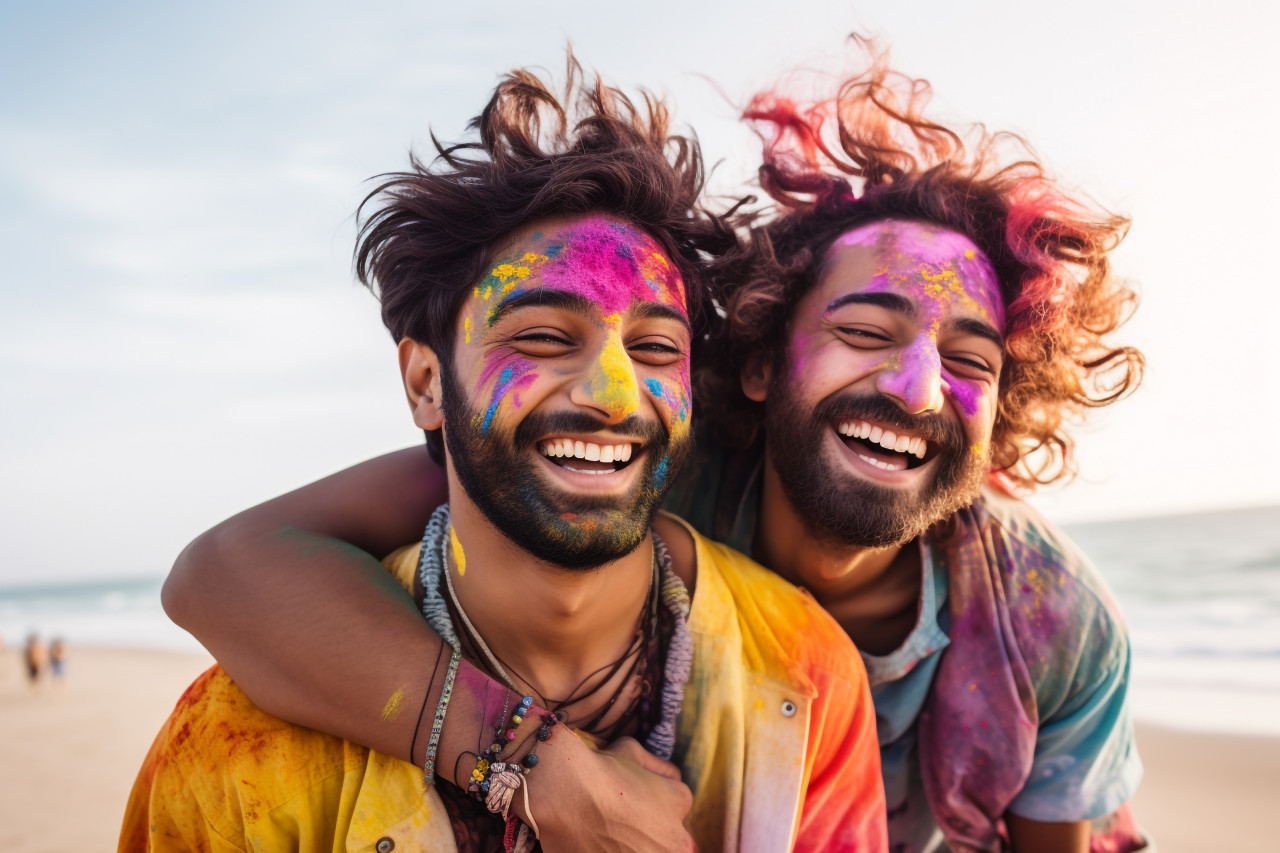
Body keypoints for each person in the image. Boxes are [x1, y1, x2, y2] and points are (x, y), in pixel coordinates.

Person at [164, 43, 1148, 852]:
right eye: (864, 332)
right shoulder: (638, 461)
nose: (915, 387)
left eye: (967, 356)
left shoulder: (1049, 618)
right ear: (759, 359)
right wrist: (530, 763)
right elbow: (228, 567)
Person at [121, 61, 885, 853]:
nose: (616, 395)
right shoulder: (234, 752)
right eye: (544, 337)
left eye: (656, 347)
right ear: (425, 383)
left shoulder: (807, 677)